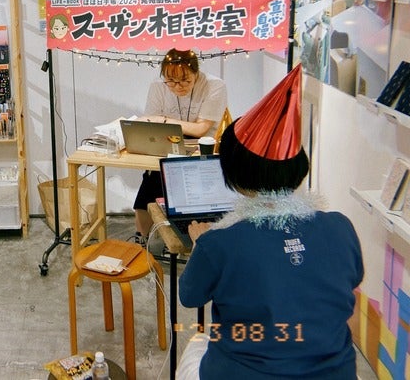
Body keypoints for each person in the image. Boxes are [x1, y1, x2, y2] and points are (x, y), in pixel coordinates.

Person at [176, 65, 364, 379]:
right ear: (298, 169)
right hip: (335, 373)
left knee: (196, 342)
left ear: (234, 173)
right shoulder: (340, 227)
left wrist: (199, 245)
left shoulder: (217, 243)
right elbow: (348, 278)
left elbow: (190, 296)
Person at [132, 48, 227, 244]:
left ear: (196, 73)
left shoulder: (214, 85)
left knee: (191, 194)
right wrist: (158, 122)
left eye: (185, 80)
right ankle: (142, 239)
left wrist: (164, 120)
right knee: (150, 183)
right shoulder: (158, 85)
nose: (178, 86)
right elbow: (150, 122)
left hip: (202, 151)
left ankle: (194, 239)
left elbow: (201, 129)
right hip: (167, 146)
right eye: (171, 81)